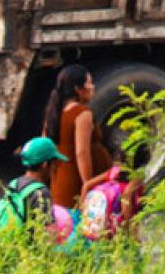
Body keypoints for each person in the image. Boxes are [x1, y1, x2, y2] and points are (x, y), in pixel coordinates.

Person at [0, 135, 72, 243]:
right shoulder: (40, 193)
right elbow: (47, 238)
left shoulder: (16, 183)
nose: (56, 167)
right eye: (55, 163)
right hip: (22, 253)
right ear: (45, 164)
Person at [43, 65, 114, 211]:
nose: (93, 87)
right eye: (89, 83)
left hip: (59, 184)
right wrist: (88, 185)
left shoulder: (54, 112)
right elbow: (82, 152)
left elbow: (45, 147)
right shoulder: (82, 114)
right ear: (77, 89)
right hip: (75, 186)